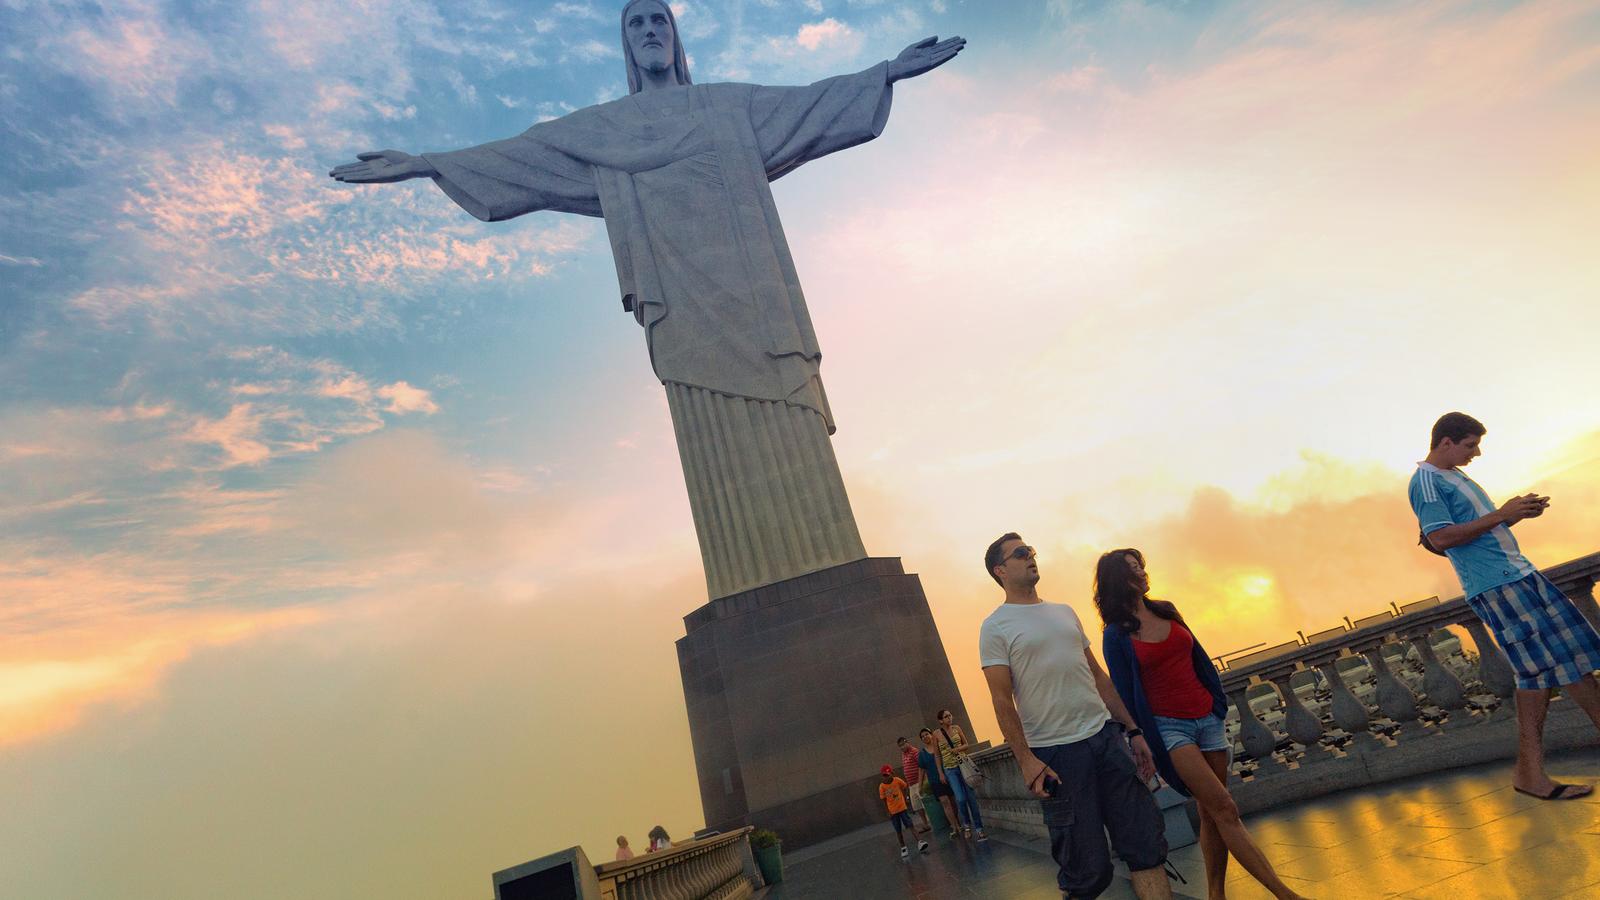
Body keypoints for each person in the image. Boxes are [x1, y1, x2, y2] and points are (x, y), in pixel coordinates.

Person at [328, 1, 966, 601]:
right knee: (712, 434)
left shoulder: (726, 107)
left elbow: (811, 104)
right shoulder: (602, 129)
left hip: (757, 297)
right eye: (637, 25)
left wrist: (885, 75)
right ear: (628, 47)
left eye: (660, 20)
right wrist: (424, 163)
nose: (651, 32)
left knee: (788, 412)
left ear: (676, 38)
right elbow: (520, 155)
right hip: (683, 313)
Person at [1410, 412, 1600, 800]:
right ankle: (1529, 773)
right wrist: (1503, 514)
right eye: (1469, 445)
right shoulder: (1426, 481)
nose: (1476, 453)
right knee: (1546, 673)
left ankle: (1529, 774)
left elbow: (1476, 532)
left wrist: (1516, 515)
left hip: (1518, 577)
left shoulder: (1455, 476)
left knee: (1567, 666)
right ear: (1445, 442)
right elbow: (1441, 537)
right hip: (1498, 586)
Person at [1099, 549, 1308, 900]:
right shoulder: (1116, 635)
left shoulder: (1165, 610)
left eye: (1142, 567)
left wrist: (1216, 704)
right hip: (1169, 728)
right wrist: (1135, 736)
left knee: (1210, 811)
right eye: (1134, 570)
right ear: (1119, 579)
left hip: (1206, 718)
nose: (1143, 573)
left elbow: (1199, 657)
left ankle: (1216, 895)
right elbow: (1121, 691)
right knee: (1225, 807)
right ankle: (1284, 893)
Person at [979, 533, 1172, 900]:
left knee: (1145, 847)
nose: (1031, 557)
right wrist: (1025, 761)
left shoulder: (1064, 612)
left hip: (1105, 738)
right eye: (1021, 554)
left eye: (1032, 550)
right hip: (1057, 755)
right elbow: (1001, 698)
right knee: (1088, 869)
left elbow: (1098, 676)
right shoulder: (996, 626)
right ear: (1000, 570)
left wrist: (1133, 731)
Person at [932, 709, 987, 841]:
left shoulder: (957, 728)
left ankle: (979, 829)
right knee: (960, 798)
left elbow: (966, 744)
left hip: (963, 766)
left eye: (950, 715)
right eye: (946, 717)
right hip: (950, 769)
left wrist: (957, 749)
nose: (949, 718)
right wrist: (940, 773)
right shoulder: (936, 734)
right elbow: (937, 755)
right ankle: (966, 825)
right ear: (940, 720)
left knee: (971, 798)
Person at [918, 728, 964, 838]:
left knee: (953, 802)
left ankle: (957, 822)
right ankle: (954, 827)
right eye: (922, 736)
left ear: (931, 734)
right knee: (945, 802)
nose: (925, 737)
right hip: (935, 781)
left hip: (948, 776)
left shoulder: (940, 747)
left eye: (927, 734)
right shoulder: (922, 754)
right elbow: (921, 770)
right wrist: (920, 786)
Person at [879, 765, 930, 859]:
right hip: (893, 811)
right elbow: (883, 800)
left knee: (910, 825)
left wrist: (906, 797)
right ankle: (903, 847)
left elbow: (905, 786)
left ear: (892, 773)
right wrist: (888, 811)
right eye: (884, 775)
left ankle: (920, 841)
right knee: (898, 830)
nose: (886, 777)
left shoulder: (897, 780)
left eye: (887, 774)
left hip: (902, 808)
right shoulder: (882, 786)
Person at [896, 736, 932, 832]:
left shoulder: (914, 751)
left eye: (903, 744)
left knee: (926, 804)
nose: (902, 747)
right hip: (911, 785)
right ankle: (926, 824)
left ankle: (932, 821)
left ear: (907, 742)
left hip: (919, 782)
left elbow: (921, 767)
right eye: (900, 746)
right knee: (917, 806)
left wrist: (922, 783)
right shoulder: (903, 755)